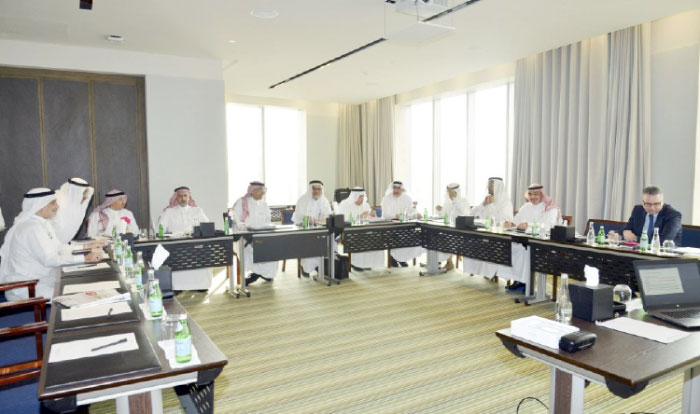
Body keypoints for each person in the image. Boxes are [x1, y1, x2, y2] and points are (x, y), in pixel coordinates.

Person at [0, 188, 103, 301]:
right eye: (53, 203)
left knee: (84, 284)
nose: (57, 206)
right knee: (81, 296)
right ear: (40, 205)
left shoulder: (42, 223)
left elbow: (58, 247)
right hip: (29, 285)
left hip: (44, 278)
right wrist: (85, 258)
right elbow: (50, 259)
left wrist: (86, 247)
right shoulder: (31, 228)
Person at [502, 183, 561, 291]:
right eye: (530, 194)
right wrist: (511, 224)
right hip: (525, 240)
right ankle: (518, 280)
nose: (533, 197)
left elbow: (548, 227)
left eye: (536, 194)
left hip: (543, 244)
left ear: (542, 194)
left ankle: (525, 283)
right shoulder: (526, 206)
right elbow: (516, 220)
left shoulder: (550, 208)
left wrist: (528, 225)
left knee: (524, 250)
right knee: (512, 248)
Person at [158, 186, 212, 291]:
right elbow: (159, 229)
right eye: (180, 196)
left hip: (195, 244)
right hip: (176, 245)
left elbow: (206, 226)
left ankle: (201, 285)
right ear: (176, 198)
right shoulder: (168, 212)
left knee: (204, 251)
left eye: (185, 196)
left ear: (189, 197)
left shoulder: (198, 210)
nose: (183, 198)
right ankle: (177, 287)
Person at [463, 177, 514, 279]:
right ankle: (481, 272)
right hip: (484, 232)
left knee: (487, 244)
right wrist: (483, 204)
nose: (489, 187)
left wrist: (490, 205)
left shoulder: (506, 202)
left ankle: (491, 273)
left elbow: (503, 220)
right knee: (469, 241)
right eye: (489, 184)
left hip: (499, 236)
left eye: (491, 184)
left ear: (498, 186)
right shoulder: (488, 198)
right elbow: (472, 213)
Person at [230, 181, 278, 285]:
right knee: (253, 248)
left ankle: (265, 274)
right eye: (261, 191)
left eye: (264, 191)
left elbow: (268, 222)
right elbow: (237, 221)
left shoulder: (264, 204)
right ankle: (256, 274)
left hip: (262, 235)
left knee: (274, 248)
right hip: (245, 236)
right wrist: (247, 232)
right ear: (253, 191)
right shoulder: (241, 202)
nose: (263, 193)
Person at [292, 180, 332, 277]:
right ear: (310, 189)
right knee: (311, 242)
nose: (316, 191)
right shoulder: (302, 200)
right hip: (304, 230)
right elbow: (298, 217)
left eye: (319, 189)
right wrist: (308, 218)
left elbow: (328, 214)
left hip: (320, 229)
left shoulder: (324, 200)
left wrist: (324, 219)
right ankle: (307, 268)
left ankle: (322, 267)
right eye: (314, 189)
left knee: (330, 241)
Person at [337, 187, 382, 271]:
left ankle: (367, 263)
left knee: (376, 237)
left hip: (365, 229)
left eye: (363, 196)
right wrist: (359, 216)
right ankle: (355, 263)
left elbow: (370, 217)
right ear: (354, 196)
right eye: (360, 196)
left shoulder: (365, 204)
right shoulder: (345, 204)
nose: (362, 198)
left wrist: (372, 214)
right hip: (349, 231)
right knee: (359, 238)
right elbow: (343, 219)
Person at [380, 181, 423, 267]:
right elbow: (385, 215)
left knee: (412, 235)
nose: (396, 190)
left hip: (404, 224)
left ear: (402, 189)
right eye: (394, 188)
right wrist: (395, 215)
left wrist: (416, 214)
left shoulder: (407, 198)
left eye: (398, 189)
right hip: (390, 224)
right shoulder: (386, 199)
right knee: (397, 235)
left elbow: (412, 211)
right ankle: (394, 258)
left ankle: (402, 258)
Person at [434, 183, 470, 270]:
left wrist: (456, 200)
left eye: (450, 192)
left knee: (447, 237)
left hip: (461, 231)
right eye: (448, 192)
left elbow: (465, 213)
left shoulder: (464, 201)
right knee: (435, 236)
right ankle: (438, 261)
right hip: (450, 229)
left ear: (455, 192)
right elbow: (444, 215)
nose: (448, 194)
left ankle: (449, 263)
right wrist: (440, 210)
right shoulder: (449, 202)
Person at [52, 177, 94, 243]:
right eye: (84, 193)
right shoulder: (58, 205)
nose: (86, 197)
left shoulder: (77, 208)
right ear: (74, 192)